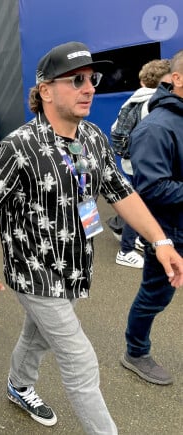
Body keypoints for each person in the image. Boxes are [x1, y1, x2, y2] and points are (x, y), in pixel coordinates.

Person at [0, 41, 183, 434]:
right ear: (45, 91)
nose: (89, 88)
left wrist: (161, 241)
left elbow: (122, 192)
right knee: (79, 357)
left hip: (72, 268)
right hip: (34, 274)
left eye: (92, 79)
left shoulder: (95, 138)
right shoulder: (16, 147)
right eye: (76, 80)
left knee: (38, 336)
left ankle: (18, 385)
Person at [121, 50, 183, 385]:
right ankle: (135, 350)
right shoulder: (156, 128)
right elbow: (152, 188)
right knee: (155, 295)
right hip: (169, 232)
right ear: (178, 79)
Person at [110, 59, 172, 269]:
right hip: (142, 166)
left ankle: (137, 237)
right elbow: (126, 136)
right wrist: (140, 158)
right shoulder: (148, 103)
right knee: (139, 205)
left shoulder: (138, 99)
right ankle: (125, 251)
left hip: (137, 164)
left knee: (140, 201)